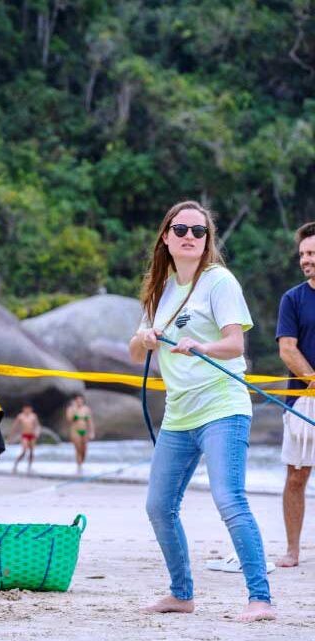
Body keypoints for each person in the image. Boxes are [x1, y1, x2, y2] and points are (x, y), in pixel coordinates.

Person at [128, 200, 275, 622]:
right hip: (180, 413)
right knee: (158, 506)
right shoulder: (161, 288)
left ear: (208, 240)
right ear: (166, 236)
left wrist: (202, 345)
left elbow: (235, 345)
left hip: (223, 405)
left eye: (199, 231)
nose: (190, 237)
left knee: (229, 499)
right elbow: (135, 347)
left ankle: (260, 599)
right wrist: (146, 337)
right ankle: (181, 593)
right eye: (181, 230)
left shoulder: (218, 281)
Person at [273, 221, 315, 568]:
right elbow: (287, 349)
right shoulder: (293, 298)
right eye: (303, 254)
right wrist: (314, 380)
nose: (306, 259)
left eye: (312, 253)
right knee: (297, 476)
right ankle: (292, 551)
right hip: (304, 400)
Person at [66, 394, 94, 474]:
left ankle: (81, 463)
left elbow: (90, 421)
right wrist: (75, 409)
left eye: (81, 400)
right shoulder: (71, 409)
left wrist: (92, 431)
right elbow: (69, 419)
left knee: (84, 449)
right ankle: (79, 467)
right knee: (78, 448)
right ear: (75, 401)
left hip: (84, 431)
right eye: (78, 400)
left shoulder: (86, 409)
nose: (79, 402)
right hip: (75, 431)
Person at [11, 404, 42, 474]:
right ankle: (15, 465)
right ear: (23, 409)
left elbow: (37, 425)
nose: (27, 410)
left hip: (32, 435)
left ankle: (29, 467)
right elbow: (15, 426)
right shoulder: (20, 416)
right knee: (24, 451)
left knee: (31, 452)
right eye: (26, 409)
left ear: (31, 409)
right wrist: (12, 436)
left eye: (29, 409)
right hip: (24, 435)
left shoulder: (33, 416)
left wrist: (37, 432)